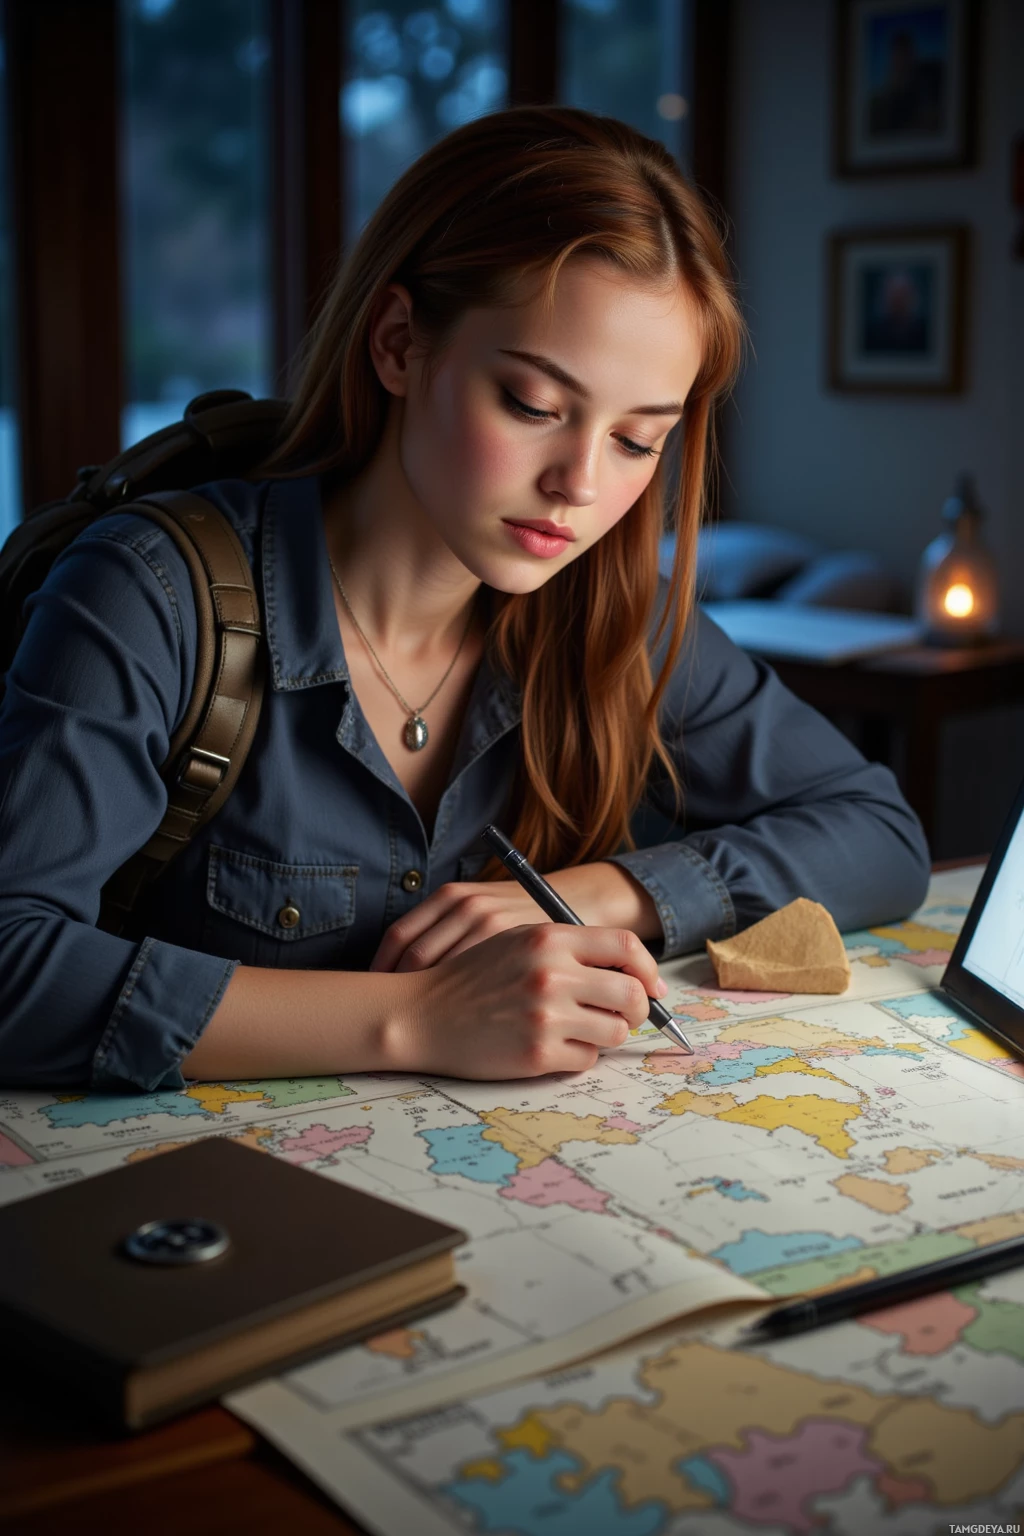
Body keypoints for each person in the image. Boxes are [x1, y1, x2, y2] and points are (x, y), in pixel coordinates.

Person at [0, 107, 930, 1092]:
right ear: (399, 343)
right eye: (533, 405)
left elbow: (878, 833)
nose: (578, 485)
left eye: (635, 440)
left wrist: (598, 895)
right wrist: (417, 1018)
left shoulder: (617, 613)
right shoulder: (148, 593)